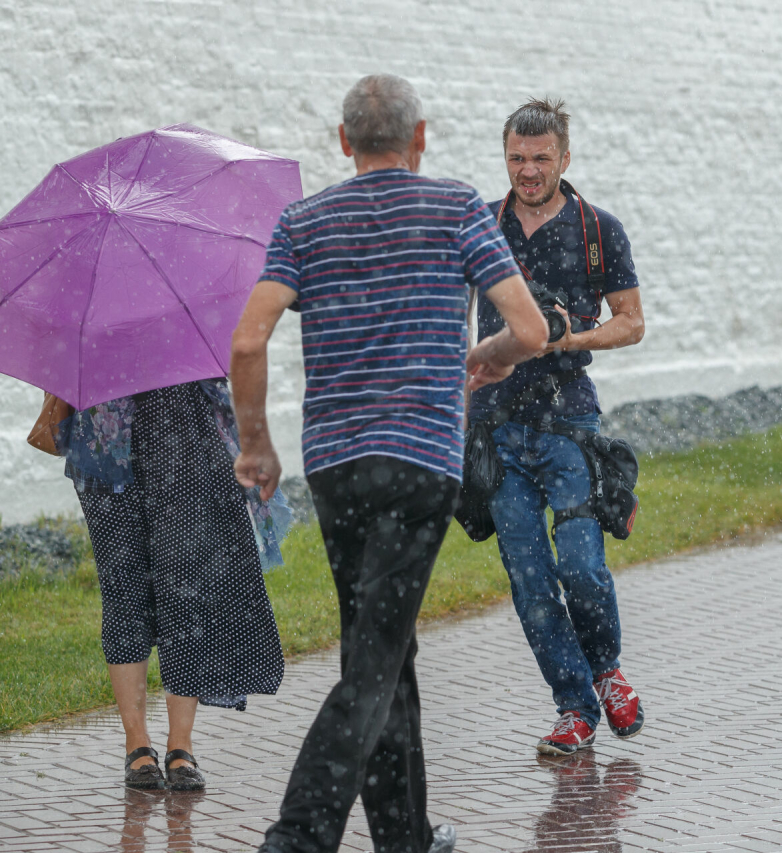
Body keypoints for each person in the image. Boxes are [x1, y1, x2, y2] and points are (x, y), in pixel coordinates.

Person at [230, 74, 547, 853]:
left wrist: (255, 442)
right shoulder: (456, 208)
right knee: (373, 658)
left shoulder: (302, 222)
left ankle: (404, 837)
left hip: (336, 467)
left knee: (381, 643)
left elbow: (246, 340)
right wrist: (491, 356)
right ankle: (298, 835)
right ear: (421, 138)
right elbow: (531, 329)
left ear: (344, 142)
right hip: (419, 465)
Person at [468, 99, 646, 756]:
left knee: (580, 566)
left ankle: (607, 669)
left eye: (541, 158)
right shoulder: (481, 227)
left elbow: (632, 321)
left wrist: (574, 336)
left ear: (565, 157)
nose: (528, 170)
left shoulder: (600, 229)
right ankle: (573, 704)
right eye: (517, 157)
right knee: (531, 579)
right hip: (496, 431)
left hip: (570, 421)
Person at [60, 378, 292, 790]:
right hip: (106, 440)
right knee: (123, 592)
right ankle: (137, 745)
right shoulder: (93, 318)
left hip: (184, 435)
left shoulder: (182, 317)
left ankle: (180, 747)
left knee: (185, 591)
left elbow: (228, 349)